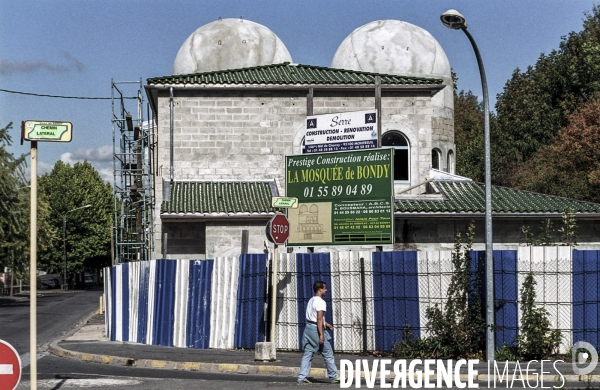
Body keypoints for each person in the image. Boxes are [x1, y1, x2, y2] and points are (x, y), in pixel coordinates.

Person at [297, 280, 339, 384]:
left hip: (308, 328)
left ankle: (301, 378)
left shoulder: (312, 300)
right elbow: (319, 319)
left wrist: (326, 323)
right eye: (325, 288)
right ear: (320, 289)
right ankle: (333, 377)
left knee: (308, 354)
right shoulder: (321, 302)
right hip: (316, 329)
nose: (326, 290)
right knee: (328, 353)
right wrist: (321, 335)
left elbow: (315, 318)